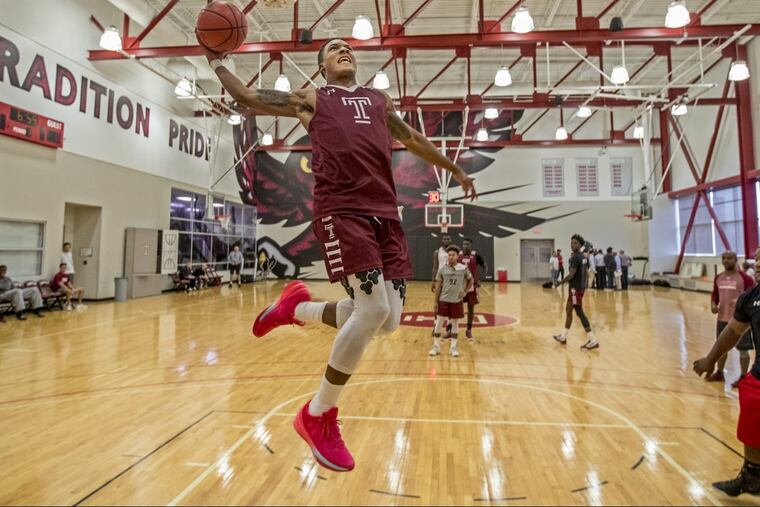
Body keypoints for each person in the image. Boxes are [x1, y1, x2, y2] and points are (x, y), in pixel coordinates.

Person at [211, 37, 477, 473]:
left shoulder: (378, 100)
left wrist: (455, 169)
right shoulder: (311, 98)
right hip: (343, 211)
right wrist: (217, 59)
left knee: (388, 321)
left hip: (385, 216)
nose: (344, 50)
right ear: (322, 67)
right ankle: (317, 414)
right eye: (333, 49)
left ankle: (297, 309)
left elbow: (412, 138)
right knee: (371, 311)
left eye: (347, 47)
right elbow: (246, 95)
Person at [693, 248, 760, 497]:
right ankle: (751, 476)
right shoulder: (751, 298)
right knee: (751, 403)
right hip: (759, 375)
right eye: (758, 258)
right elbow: (732, 332)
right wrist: (710, 360)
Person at [709, 251, 755, 387]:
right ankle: (720, 373)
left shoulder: (745, 279)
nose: (726, 260)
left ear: (736, 260)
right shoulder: (718, 277)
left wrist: (741, 301)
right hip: (722, 319)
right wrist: (713, 305)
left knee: (743, 350)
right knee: (721, 347)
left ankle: (743, 376)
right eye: (724, 258)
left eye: (729, 258)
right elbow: (714, 295)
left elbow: (752, 296)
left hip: (740, 321)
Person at [553, 235, 599, 350]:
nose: (572, 245)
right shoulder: (583, 257)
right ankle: (563, 336)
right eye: (571, 242)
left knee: (579, 312)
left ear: (580, 245)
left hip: (575, 289)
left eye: (575, 243)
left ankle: (593, 340)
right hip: (578, 288)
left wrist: (560, 282)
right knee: (568, 309)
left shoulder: (576, 258)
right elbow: (584, 273)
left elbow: (572, 274)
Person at [430, 245, 473, 358]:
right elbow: (438, 286)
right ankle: (436, 346)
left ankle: (453, 347)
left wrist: (465, 291)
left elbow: (471, 280)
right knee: (438, 324)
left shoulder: (463, 268)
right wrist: (435, 302)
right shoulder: (442, 269)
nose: (451, 257)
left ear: (457, 256)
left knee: (455, 325)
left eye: (453, 255)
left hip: (456, 301)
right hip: (443, 300)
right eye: (449, 255)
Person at [459, 238, 487, 341]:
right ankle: (452, 328)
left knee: (471, 308)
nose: (465, 246)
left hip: (472, 286)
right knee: (457, 306)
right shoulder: (458, 255)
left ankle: (469, 329)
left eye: (467, 244)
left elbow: (485, 266)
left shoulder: (476, 255)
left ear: (471, 245)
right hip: (460, 286)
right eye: (464, 244)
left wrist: (480, 279)